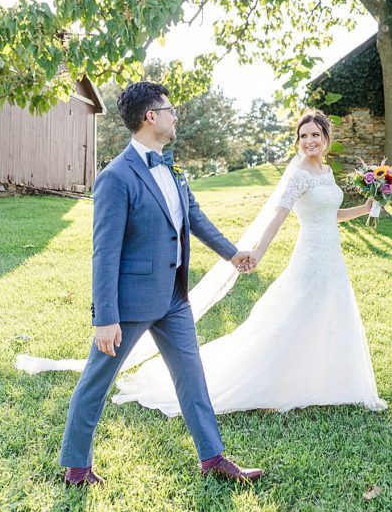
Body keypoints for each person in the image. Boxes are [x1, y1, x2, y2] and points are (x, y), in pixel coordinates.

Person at [109, 109, 388, 416]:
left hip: (332, 255)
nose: (309, 141)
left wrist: (363, 209)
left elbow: (329, 215)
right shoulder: (298, 176)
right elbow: (278, 218)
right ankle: (277, 378)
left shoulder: (327, 173)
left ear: (326, 139)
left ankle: (328, 379)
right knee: (299, 310)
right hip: (311, 255)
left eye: (315, 135)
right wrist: (257, 253)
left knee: (331, 309)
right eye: (303, 136)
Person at [56, 81, 262, 487]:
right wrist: (105, 318)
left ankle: (212, 458)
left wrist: (233, 253)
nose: (175, 116)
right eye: (170, 110)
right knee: (97, 381)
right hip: (130, 303)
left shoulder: (171, 165)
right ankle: (76, 467)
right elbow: (104, 252)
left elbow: (195, 217)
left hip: (174, 297)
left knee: (192, 377)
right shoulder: (116, 177)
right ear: (151, 116)